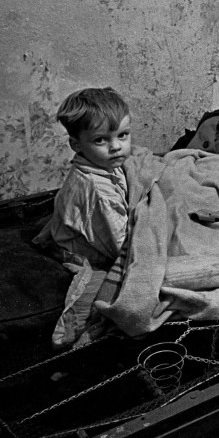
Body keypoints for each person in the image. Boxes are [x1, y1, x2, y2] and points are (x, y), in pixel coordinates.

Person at [33, 87, 152, 346]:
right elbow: (122, 247)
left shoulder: (104, 165)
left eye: (123, 135)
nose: (116, 147)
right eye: (101, 140)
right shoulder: (98, 191)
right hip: (84, 250)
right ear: (77, 144)